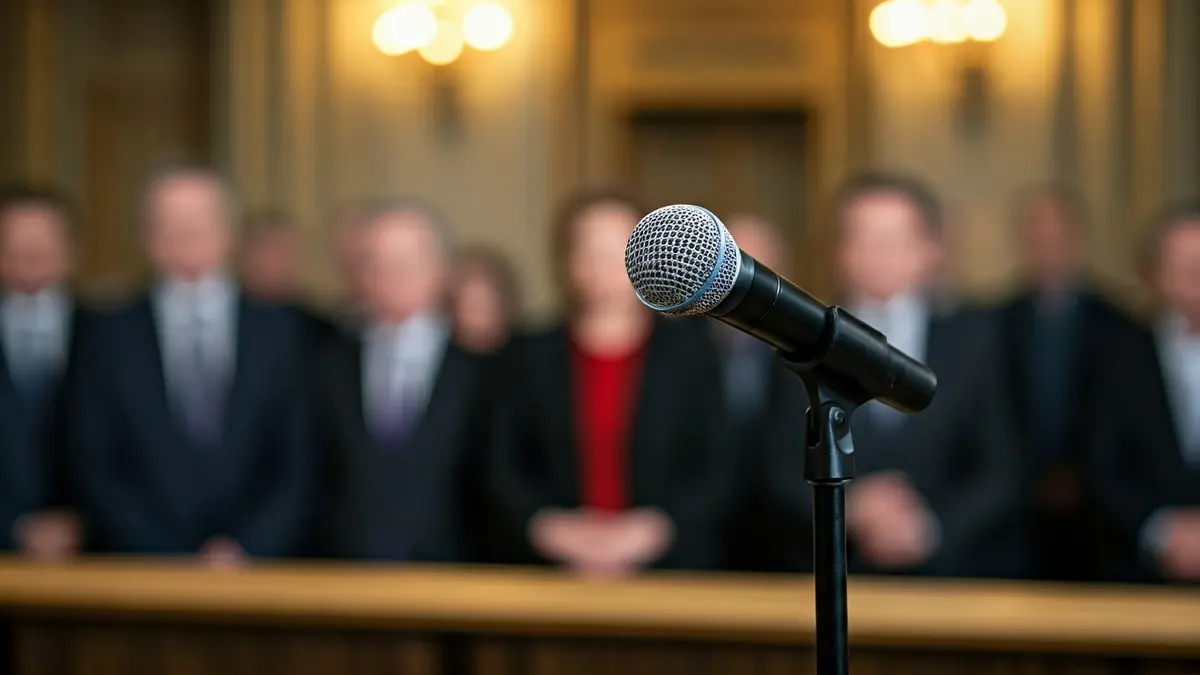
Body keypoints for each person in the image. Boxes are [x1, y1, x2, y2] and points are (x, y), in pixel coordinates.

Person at [69, 165, 319, 563]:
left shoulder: (284, 334)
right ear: (146, 236)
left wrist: (249, 546)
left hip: (259, 571)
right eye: (170, 224)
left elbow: (299, 462)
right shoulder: (106, 335)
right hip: (140, 569)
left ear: (230, 232)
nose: (186, 236)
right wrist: (165, 552)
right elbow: (94, 462)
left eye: (200, 222)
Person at [485, 191, 733, 577]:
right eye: (588, 249)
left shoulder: (692, 354)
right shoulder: (527, 355)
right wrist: (547, 527)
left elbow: (717, 468)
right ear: (566, 260)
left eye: (618, 249)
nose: (602, 264)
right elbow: (500, 466)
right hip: (548, 570)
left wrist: (655, 531)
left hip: (673, 571)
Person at [816, 172, 1022, 577]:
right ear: (840, 251)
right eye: (864, 239)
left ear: (929, 250)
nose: (878, 255)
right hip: (837, 576)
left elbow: (1003, 468)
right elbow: (774, 471)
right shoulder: (805, 339)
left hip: (954, 577)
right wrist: (849, 507)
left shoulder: (977, 341)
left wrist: (932, 528)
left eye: (893, 241)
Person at [317, 202, 494, 561]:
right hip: (345, 577)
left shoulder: (486, 373)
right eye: (378, 262)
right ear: (360, 274)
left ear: (443, 270)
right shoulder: (325, 368)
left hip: (457, 578)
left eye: (409, 261)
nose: (394, 274)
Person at [994, 185, 1141, 580]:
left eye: (1058, 239)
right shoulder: (994, 322)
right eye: (1039, 240)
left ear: (1078, 240)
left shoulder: (1121, 326)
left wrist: (1081, 476)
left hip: (1100, 517)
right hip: (1016, 510)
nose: (1049, 250)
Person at [1089, 204, 1200, 583]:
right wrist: (1162, 532)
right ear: (1154, 273)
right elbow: (1100, 464)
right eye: (1182, 264)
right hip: (1138, 573)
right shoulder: (1116, 353)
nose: (1195, 276)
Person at [712, 214, 813, 571]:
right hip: (704, 550)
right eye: (728, 263)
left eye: (755, 265)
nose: (741, 280)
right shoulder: (678, 350)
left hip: (788, 552)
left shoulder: (809, 348)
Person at [0, 184, 91, 560]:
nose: (30, 256)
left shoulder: (111, 337)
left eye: (43, 243)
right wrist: (14, 527)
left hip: (100, 559)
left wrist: (83, 523)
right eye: (15, 245)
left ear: (71, 252)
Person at [239, 209, 337, 346]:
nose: (269, 261)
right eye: (263, 248)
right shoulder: (224, 320)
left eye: (279, 250)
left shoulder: (320, 331)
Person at [451, 245, 519, 355]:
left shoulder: (528, 359)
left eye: (484, 305)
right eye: (470, 306)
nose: (476, 315)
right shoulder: (440, 359)